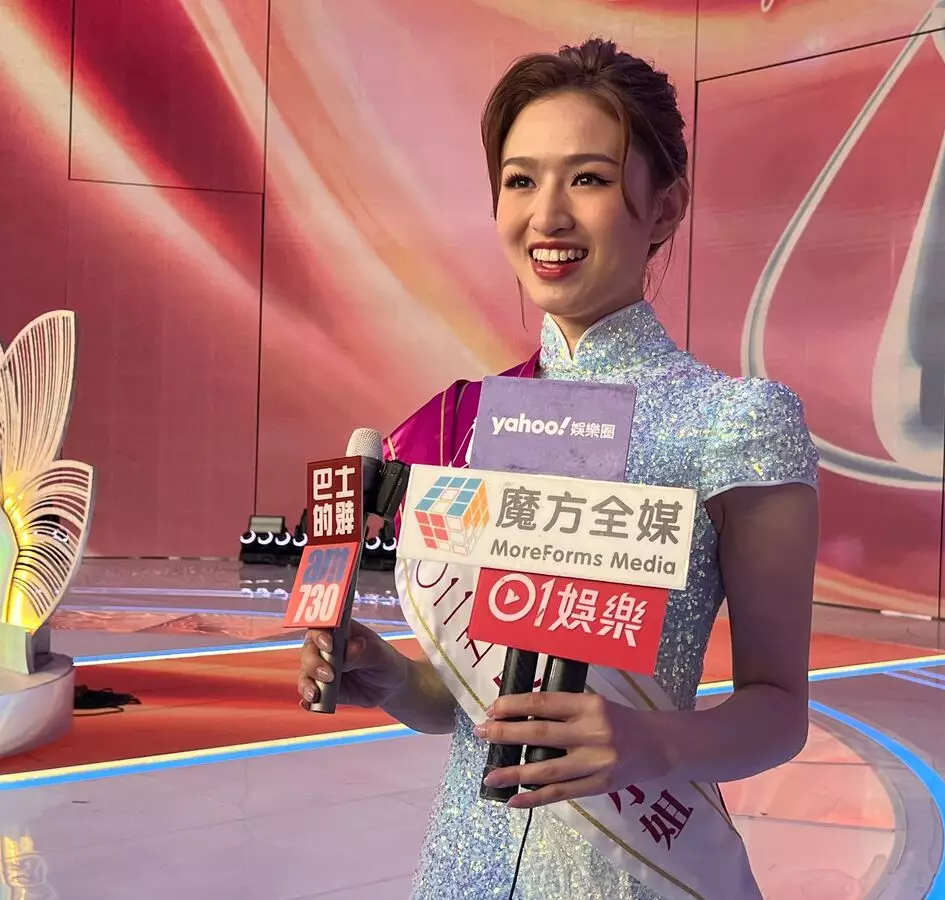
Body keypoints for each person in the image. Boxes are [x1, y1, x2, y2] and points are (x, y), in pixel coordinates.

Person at [296, 38, 819, 899]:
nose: (547, 216)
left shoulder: (737, 422)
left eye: (588, 179)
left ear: (665, 207)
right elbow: (471, 704)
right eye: (520, 180)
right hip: (462, 868)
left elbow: (779, 710)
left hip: (634, 872)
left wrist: (654, 741)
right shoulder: (470, 422)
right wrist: (395, 682)